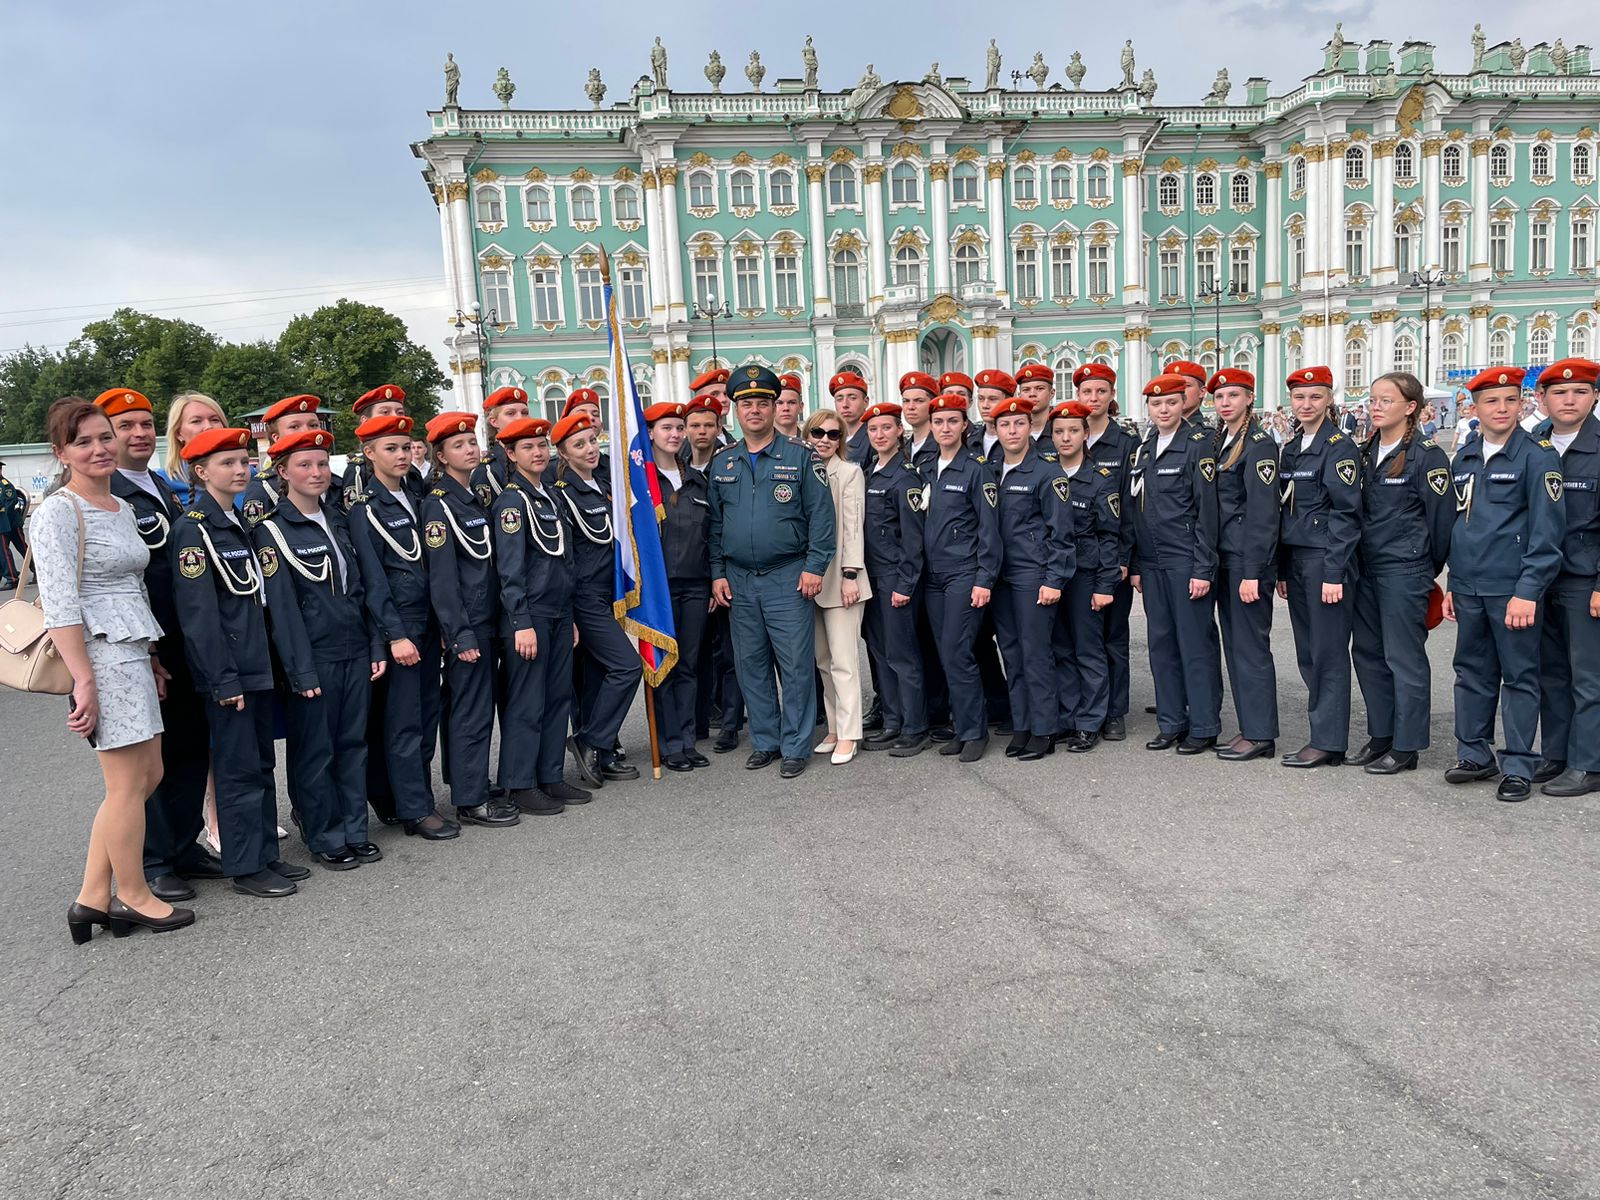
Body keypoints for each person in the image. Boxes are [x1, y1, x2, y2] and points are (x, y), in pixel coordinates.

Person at [35, 398, 192, 943]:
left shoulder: (120, 508)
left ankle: (92, 897)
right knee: (126, 784)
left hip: (131, 650)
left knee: (147, 776)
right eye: (84, 442)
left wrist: (149, 656)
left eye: (105, 437)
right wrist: (84, 681)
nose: (100, 448)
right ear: (62, 453)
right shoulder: (58, 511)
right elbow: (59, 604)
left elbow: (130, 586)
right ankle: (134, 895)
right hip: (97, 655)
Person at [95, 389, 219, 902]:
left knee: (190, 749)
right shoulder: (109, 492)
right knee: (149, 763)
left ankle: (185, 844)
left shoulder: (167, 488)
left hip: (184, 639)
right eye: (125, 426)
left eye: (145, 424)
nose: (139, 433)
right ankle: (154, 859)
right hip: (143, 642)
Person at [171, 427, 306, 897]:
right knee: (236, 768)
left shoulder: (240, 520)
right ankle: (245, 865)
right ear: (201, 471)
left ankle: (266, 852)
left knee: (262, 762)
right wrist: (222, 679)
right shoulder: (195, 530)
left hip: (258, 662)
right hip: (231, 672)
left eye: (244, 460)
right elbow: (199, 618)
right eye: (226, 462)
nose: (240, 468)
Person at [253, 427, 387, 870]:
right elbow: (284, 613)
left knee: (353, 745)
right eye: (305, 465)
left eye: (322, 463)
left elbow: (360, 591)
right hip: (314, 659)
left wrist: (375, 645)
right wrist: (301, 671)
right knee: (316, 750)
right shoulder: (272, 531)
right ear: (283, 472)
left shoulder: (340, 521)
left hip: (353, 651)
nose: (317, 472)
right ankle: (323, 832)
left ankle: (353, 828)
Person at [707, 365, 836, 778]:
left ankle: (797, 745)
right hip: (739, 579)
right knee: (751, 664)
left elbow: (822, 518)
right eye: (747, 404)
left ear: (775, 407)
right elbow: (715, 525)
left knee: (796, 665)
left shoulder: (801, 458)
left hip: (788, 575)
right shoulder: (723, 463)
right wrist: (717, 572)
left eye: (764, 402)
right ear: (735, 411)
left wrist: (815, 567)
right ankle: (766, 740)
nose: (756, 410)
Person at [1443, 366, 1566, 802]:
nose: (1501, 408)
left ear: (1522, 404)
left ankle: (1517, 764)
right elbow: (1462, 524)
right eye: (1491, 401)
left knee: (1519, 677)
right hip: (1471, 585)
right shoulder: (1466, 456)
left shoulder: (1538, 456)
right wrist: (1454, 584)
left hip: (1512, 589)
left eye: (1510, 400)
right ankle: (1474, 754)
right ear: (1473, 408)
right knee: (1471, 672)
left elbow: (1547, 535)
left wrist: (1528, 591)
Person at [346, 413, 453, 839]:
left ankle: (417, 796)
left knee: (427, 716)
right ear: (369, 454)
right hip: (404, 626)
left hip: (428, 620)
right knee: (405, 721)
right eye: (390, 448)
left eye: (406, 447)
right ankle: (413, 809)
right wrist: (395, 635)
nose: (402, 455)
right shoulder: (365, 509)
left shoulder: (418, 495)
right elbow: (373, 581)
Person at [1347, 373, 1455, 775]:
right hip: (1367, 569)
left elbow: (1442, 521)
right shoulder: (1366, 451)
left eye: (1386, 400)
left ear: (1410, 407)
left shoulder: (1428, 456)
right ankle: (1381, 735)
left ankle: (1407, 745)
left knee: (1404, 658)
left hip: (1404, 570)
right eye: (1373, 399)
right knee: (1369, 655)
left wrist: (1426, 567)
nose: (1376, 406)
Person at [422, 412, 520, 824]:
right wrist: (459, 634)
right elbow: (442, 579)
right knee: (471, 710)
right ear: (441, 456)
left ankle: (473, 780)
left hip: (487, 617)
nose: (470, 449)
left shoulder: (472, 497)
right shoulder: (438, 505)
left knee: (479, 706)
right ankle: (469, 797)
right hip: (469, 624)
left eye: (472, 442)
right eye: (459, 445)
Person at [490, 417, 592, 812]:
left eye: (541, 446)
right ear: (510, 454)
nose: (537, 453)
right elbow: (510, 569)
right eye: (527, 448)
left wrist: (570, 617)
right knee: (527, 702)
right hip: (530, 615)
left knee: (556, 699)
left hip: (558, 611)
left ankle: (550, 775)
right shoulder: (512, 502)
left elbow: (563, 561)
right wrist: (521, 622)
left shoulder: (548, 494)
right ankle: (520, 783)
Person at [1127, 374, 1223, 754]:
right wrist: (1137, 562)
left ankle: (1203, 724)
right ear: (1148, 408)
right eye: (1156, 404)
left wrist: (1203, 568)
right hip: (1152, 562)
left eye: (1170, 403)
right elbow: (1137, 509)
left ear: (1184, 403)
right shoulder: (1146, 448)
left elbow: (1206, 513)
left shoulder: (1198, 445)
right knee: (1161, 644)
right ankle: (1171, 721)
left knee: (1195, 643)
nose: (1163, 410)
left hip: (1185, 559)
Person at [548, 411, 641, 787]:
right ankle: (590, 739)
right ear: (563, 453)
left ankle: (601, 753)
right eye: (579, 444)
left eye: (591, 441)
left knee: (599, 675)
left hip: (608, 594)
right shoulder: (563, 495)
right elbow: (566, 558)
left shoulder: (603, 486)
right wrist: (569, 611)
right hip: (584, 598)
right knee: (627, 667)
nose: (590, 449)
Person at [1277, 366, 1363, 768]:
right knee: (1309, 653)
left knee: (1327, 653)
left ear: (1329, 399)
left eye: (1315, 396)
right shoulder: (1293, 447)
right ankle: (1323, 733)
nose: (1306, 404)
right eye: (1299, 397)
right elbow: (1285, 509)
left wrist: (1333, 573)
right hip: (1297, 560)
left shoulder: (1338, 446)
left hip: (1325, 561)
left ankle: (1329, 740)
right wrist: (1280, 569)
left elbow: (1346, 515)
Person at [989, 396, 1074, 761]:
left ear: (1029, 428)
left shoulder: (1047, 472)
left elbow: (1062, 533)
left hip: (1033, 575)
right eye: (1005, 425)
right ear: (995, 430)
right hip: (1001, 577)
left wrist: (1054, 578)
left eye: (1019, 424)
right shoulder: (991, 470)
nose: (1012, 430)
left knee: (1036, 654)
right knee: (1012, 653)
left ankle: (1044, 729)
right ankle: (1022, 724)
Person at [920, 392, 1002, 762]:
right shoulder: (926, 466)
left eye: (952, 421)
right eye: (938, 421)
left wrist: (984, 578)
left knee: (958, 651)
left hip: (964, 574)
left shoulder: (976, 468)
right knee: (945, 651)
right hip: (934, 576)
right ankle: (961, 725)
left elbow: (989, 529)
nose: (945, 428)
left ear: (964, 425)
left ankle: (975, 732)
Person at [1531, 358, 1600, 796]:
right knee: (1549, 672)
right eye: (1559, 392)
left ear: (1594, 396)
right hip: (1540, 576)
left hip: (1583, 577)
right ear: (1542, 399)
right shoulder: (1534, 443)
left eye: (1579, 391)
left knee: (1587, 675)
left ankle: (1589, 762)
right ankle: (1555, 754)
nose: (1568, 399)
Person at [1206, 370, 1282, 762]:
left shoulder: (1258, 445)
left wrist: (1253, 571)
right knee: (1235, 646)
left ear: (1249, 399)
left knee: (1251, 647)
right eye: (1219, 396)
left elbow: (1263, 513)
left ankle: (1261, 734)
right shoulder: (1223, 440)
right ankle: (1249, 728)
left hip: (1245, 562)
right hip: (1225, 557)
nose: (1225, 403)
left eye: (1233, 395)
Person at [1045, 402, 1120, 752]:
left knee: (1088, 650)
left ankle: (1090, 722)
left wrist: (1105, 586)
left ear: (1086, 434)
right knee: (1060, 649)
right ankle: (1068, 716)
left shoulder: (1099, 480)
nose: (1065, 437)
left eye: (1073, 430)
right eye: (1059, 431)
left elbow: (1110, 536)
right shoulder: (1045, 474)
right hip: (1052, 576)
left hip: (1086, 576)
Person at [859, 401, 929, 757]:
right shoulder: (871, 471)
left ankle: (915, 727)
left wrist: (905, 584)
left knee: (903, 655)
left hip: (894, 578)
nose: (879, 435)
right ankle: (892, 720)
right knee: (880, 653)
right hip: (870, 577)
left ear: (899, 431)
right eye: (873, 429)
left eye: (886, 428)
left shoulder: (905, 476)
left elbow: (913, 539)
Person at [647, 402, 713, 772]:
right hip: (659, 588)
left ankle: (687, 740)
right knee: (664, 666)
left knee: (688, 664)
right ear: (651, 434)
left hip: (695, 585)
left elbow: (710, 533)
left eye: (678, 428)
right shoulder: (640, 483)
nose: (674, 434)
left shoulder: (696, 480)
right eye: (666, 428)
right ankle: (669, 742)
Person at [805, 408, 871, 766]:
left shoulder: (849, 472)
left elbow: (853, 526)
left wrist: (850, 574)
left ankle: (849, 733)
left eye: (833, 434)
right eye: (818, 433)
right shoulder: (801, 470)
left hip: (842, 576)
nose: (825, 440)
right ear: (807, 434)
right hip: (810, 578)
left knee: (845, 660)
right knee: (824, 660)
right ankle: (833, 726)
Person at [1077, 363, 1137, 741]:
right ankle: (1086, 706)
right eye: (1087, 391)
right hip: (1079, 559)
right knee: (1081, 638)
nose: (1094, 398)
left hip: (1113, 557)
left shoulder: (1126, 443)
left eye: (1101, 391)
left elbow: (1130, 508)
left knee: (1113, 637)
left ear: (1111, 395)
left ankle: (1115, 712)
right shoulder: (1062, 438)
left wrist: (1125, 560)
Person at [684, 395, 745, 751]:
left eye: (708, 425)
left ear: (719, 427)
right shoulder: (676, 467)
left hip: (725, 573)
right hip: (692, 576)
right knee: (697, 652)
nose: (701, 431)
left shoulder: (730, 463)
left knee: (731, 653)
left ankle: (731, 723)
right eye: (695, 425)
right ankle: (699, 718)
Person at [339, 384, 426, 511]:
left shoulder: (412, 471)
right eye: (385, 412)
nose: (395, 417)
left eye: (400, 412)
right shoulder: (358, 471)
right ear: (365, 421)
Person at [240, 394, 324, 526]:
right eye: (295, 427)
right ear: (276, 437)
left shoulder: (333, 482)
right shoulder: (263, 488)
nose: (306, 432)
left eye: (313, 425)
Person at [160, 391, 228, 507]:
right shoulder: (164, 481)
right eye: (196, 421)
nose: (208, 427)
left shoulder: (247, 473)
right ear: (178, 434)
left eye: (215, 420)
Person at [471, 385, 532, 501]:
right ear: (494, 422)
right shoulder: (487, 472)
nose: (520, 418)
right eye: (511, 413)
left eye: (525, 412)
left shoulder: (537, 460)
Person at [828, 370, 872, 466]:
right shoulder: (830, 437)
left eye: (852, 398)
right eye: (839, 399)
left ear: (865, 402)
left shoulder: (874, 438)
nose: (845, 404)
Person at [967, 370, 1013, 459]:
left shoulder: (1017, 441)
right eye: (981, 399)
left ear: (1008, 401)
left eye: (992, 399)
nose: (985, 405)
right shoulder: (970, 441)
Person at [899, 373, 939, 471]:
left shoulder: (942, 446)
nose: (911, 407)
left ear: (932, 404)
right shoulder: (901, 450)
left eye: (919, 401)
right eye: (906, 401)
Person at [1015, 363, 1056, 440]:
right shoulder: (1013, 432)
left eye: (1040, 388)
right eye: (1026, 390)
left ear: (1051, 393)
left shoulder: (1061, 429)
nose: (1032, 394)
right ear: (1019, 395)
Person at [1164, 359, 1209, 428]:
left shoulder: (1207, 434)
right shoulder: (1156, 430)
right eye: (1172, 386)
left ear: (1202, 392)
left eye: (1187, 386)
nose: (1179, 391)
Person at [0, 460, 23, 587]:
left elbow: (8, 502)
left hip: (11, 523)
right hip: (4, 524)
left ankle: (13, 578)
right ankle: (10, 575)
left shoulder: (4, 485)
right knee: (2, 552)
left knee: (23, 549)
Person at [775, 374, 805, 441]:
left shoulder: (811, 442)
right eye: (779, 403)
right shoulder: (760, 443)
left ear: (801, 407)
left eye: (792, 402)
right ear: (772, 408)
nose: (786, 408)